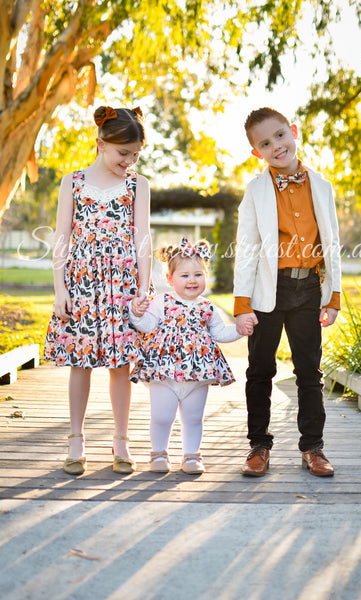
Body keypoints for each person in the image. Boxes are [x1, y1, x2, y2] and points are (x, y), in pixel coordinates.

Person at [43, 105, 152, 476]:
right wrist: (60, 289)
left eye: (136, 154)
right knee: (81, 362)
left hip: (122, 288)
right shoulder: (72, 182)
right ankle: (76, 439)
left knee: (121, 364)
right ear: (101, 144)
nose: (130, 161)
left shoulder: (138, 184)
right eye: (124, 153)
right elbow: (61, 238)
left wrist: (142, 287)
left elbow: (142, 238)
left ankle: (120, 440)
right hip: (82, 285)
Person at [234, 107, 341, 478]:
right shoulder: (255, 191)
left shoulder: (322, 186)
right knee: (260, 369)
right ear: (256, 153)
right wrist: (242, 303)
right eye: (266, 143)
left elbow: (332, 244)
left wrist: (333, 295)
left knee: (309, 371)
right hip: (269, 289)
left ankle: (313, 447)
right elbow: (246, 248)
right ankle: (258, 446)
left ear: (293, 131)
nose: (276, 145)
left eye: (280, 135)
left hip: (309, 287)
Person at [129, 237, 252, 474]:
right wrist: (136, 314)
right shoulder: (161, 302)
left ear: (206, 276)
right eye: (184, 276)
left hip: (198, 373)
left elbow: (219, 332)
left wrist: (239, 330)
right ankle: (158, 453)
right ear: (170, 279)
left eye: (198, 274)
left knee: (193, 418)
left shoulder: (207, 307)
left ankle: (191, 456)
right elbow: (146, 325)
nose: (192, 280)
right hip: (163, 371)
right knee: (162, 416)